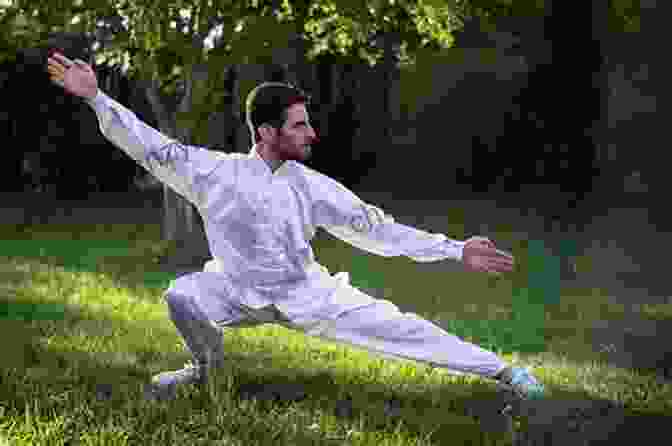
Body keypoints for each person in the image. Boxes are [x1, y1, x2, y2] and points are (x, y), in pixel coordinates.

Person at [46, 52, 545, 403]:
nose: (313, 134)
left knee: (403, 329)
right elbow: (148, 145)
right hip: (236, 289)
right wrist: (96, 99)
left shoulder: (313, 187)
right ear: (266, 132)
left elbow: (380, 231)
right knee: (182, 295)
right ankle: (206, 372)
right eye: (300, 125)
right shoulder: (212, 172)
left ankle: (507, 373)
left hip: (308, 294)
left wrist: (456, 251)